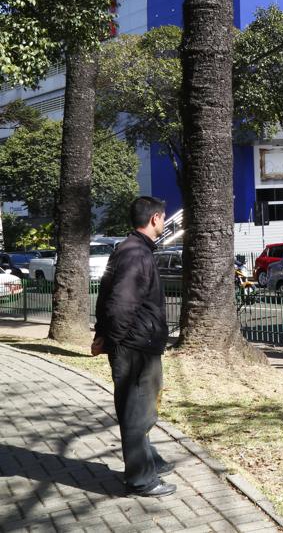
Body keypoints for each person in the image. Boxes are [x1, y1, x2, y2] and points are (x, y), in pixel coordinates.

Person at [92, 196, 175, 497]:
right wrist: (114, 339)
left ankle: (150, 461)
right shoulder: (136, 254)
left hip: (137, 344)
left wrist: (104, 334)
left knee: (142, 410)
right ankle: (141, 480)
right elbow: (120, 305)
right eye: (163, 218)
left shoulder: (127, 249)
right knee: (136, 413)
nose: (164, 223)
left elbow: (105, 295)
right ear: (154, 219)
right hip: (135, 347)